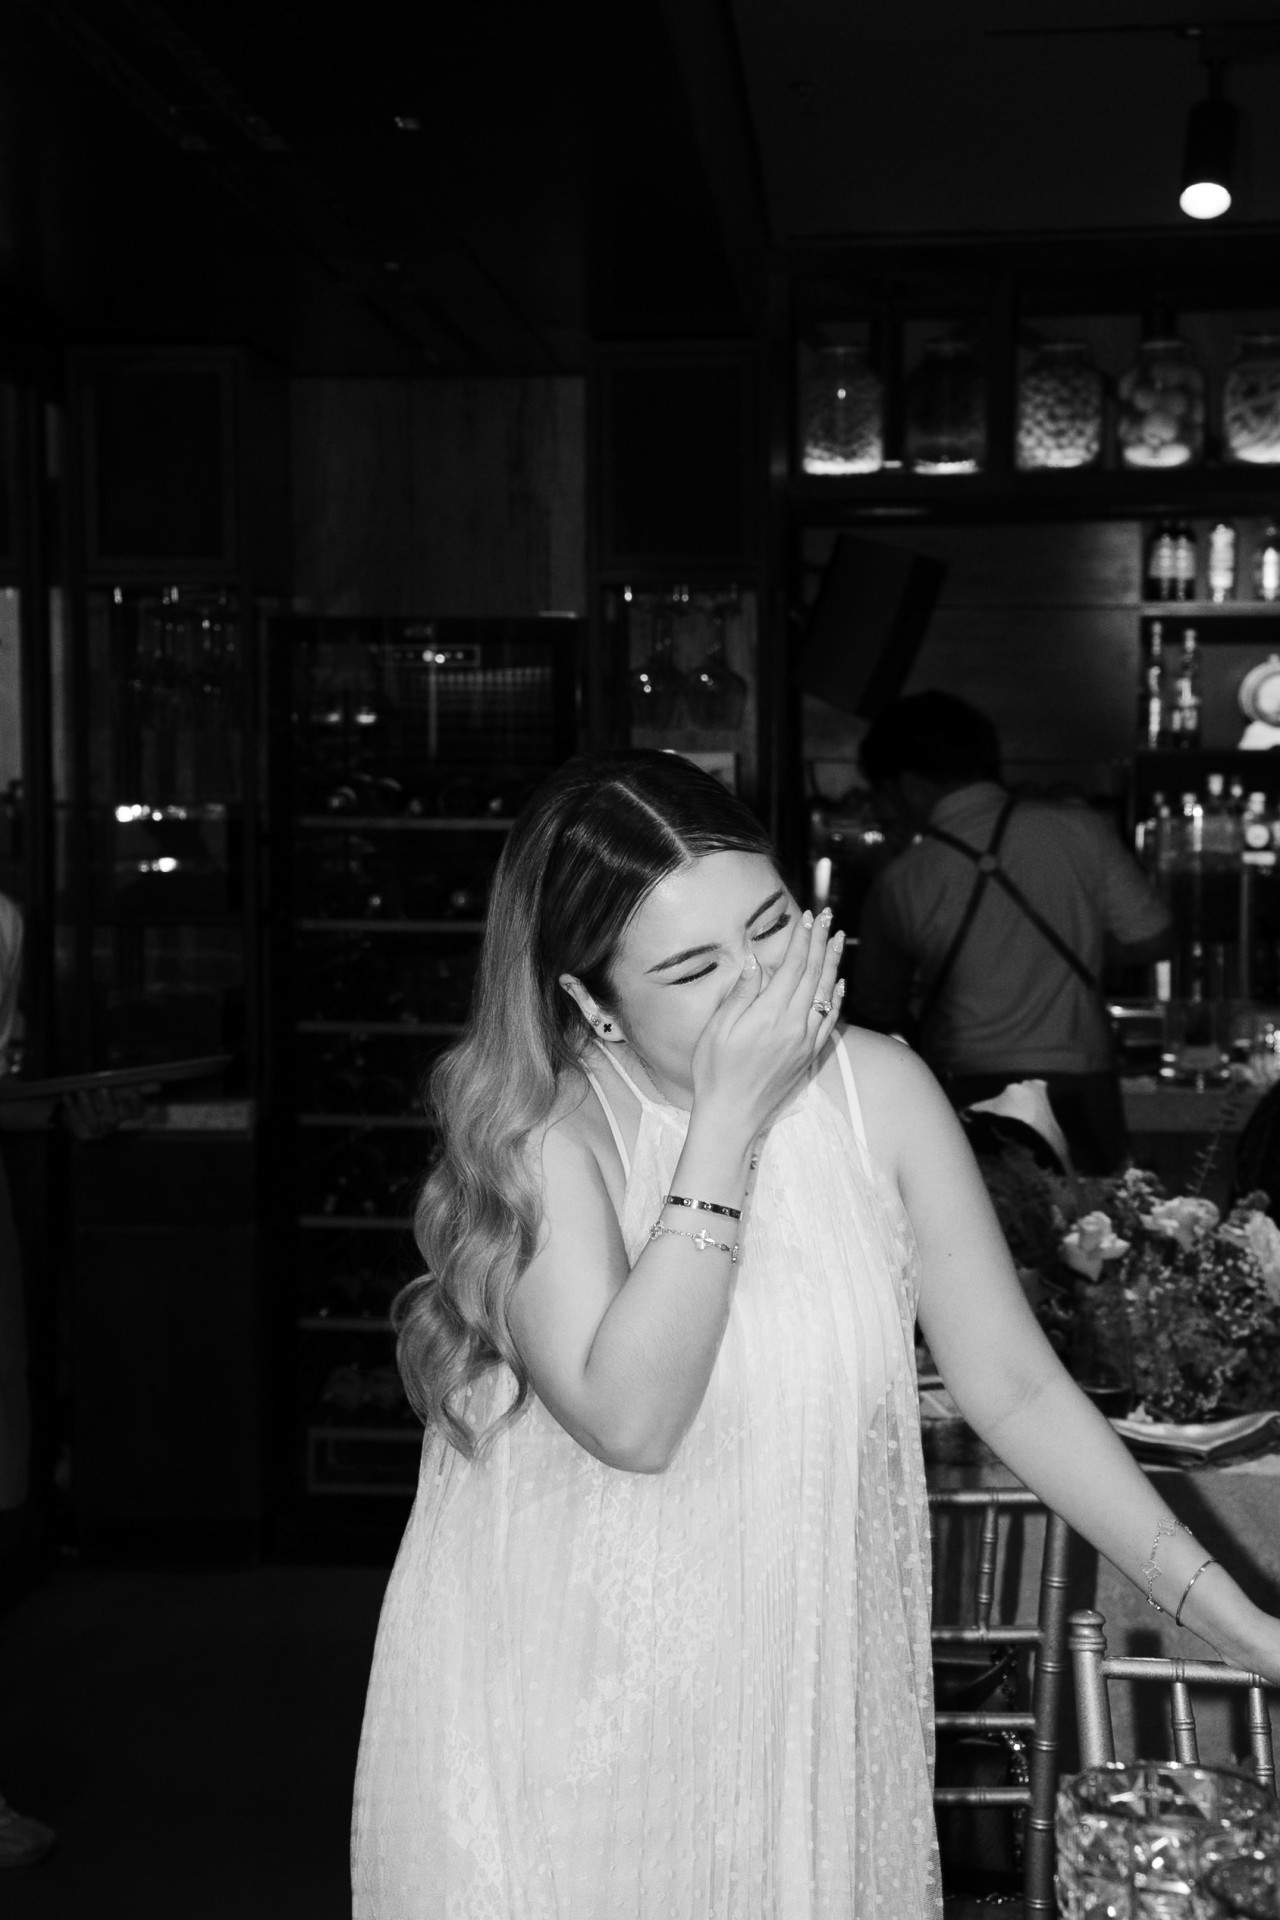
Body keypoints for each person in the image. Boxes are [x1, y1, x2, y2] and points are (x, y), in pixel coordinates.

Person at [351, 748, 1279, 1920]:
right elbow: (631, 1424)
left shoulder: (878, 1092)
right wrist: (726, 1125)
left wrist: (1237, 1622)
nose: (759, 987)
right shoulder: (548, 1132)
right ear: (589, 1002)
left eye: (771, 927)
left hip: (794, 1703)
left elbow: (1016, 1389)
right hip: (567, 1715)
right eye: (693, 968)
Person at [849, 691, 1173, 1174]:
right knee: (1097, 1216)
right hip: (1080, 1084)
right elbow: (1154, 938)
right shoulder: (1080, 829)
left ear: (909, 784)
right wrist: (1076, 945)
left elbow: (876, 1007)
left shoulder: (902, 878)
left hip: (968, 1089)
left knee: (981, 1218)